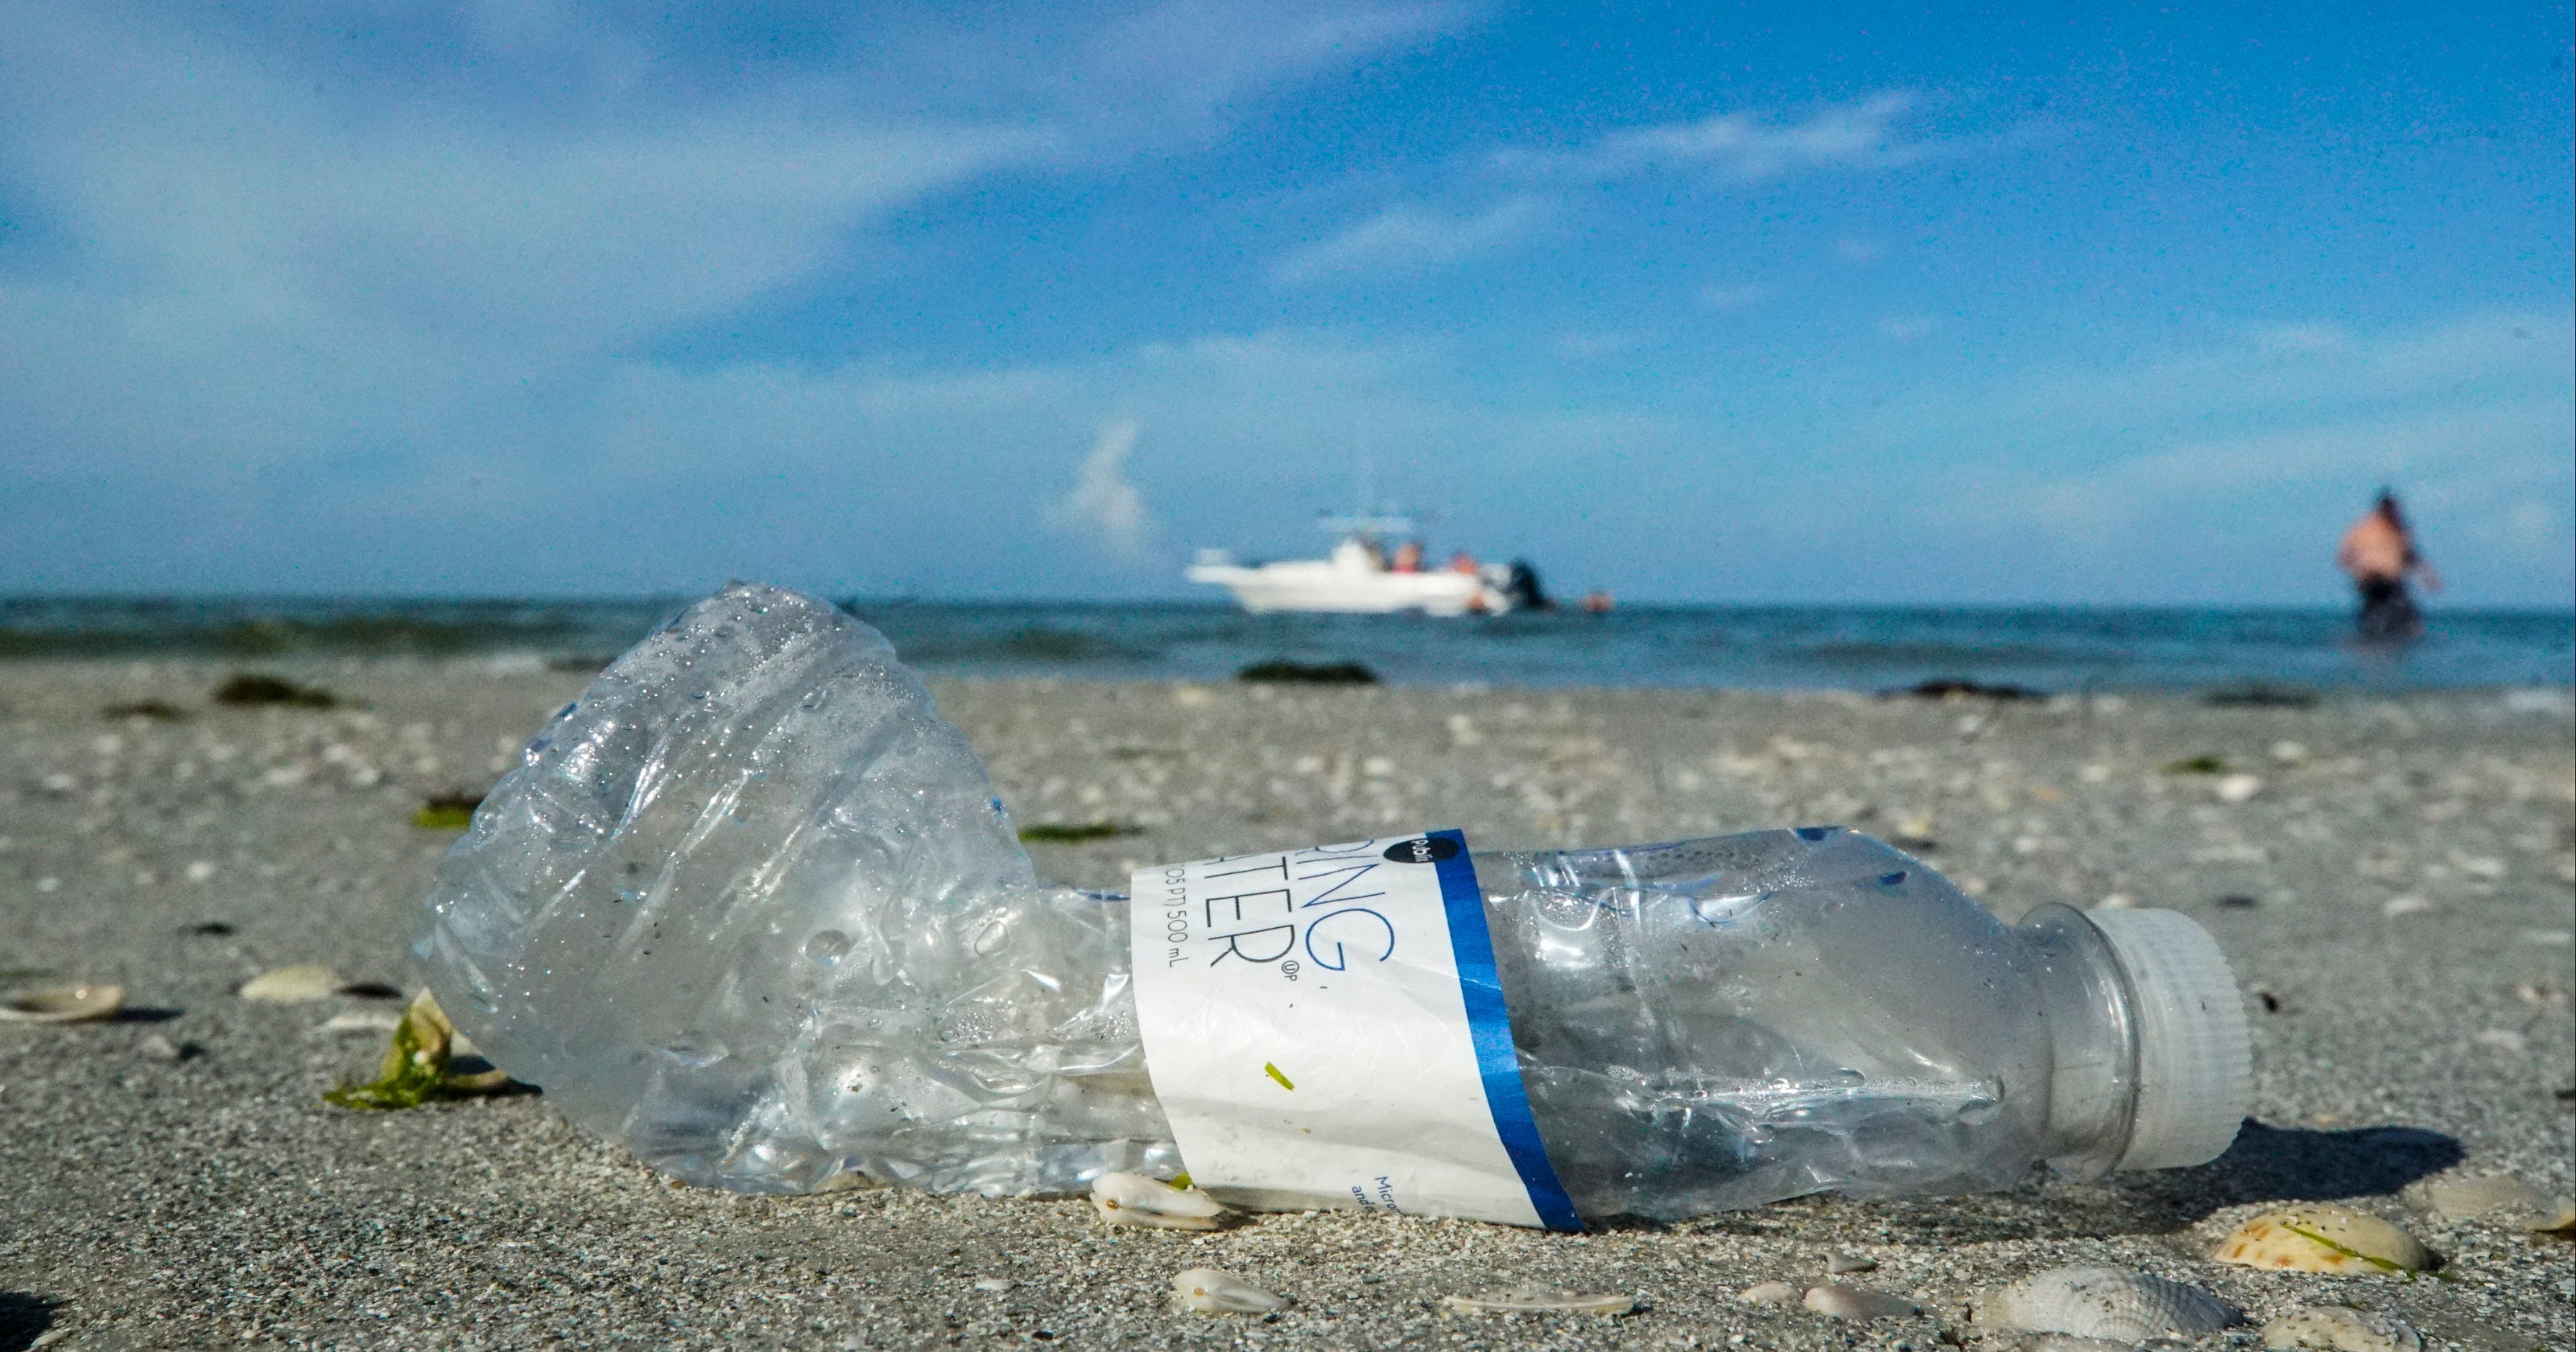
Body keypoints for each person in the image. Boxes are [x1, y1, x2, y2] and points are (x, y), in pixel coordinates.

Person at [2337, 488, 2440, 641]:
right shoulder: (2364, 528)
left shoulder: (2399, 530)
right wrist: (2359, 569)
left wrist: (2427, 577)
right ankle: (2372, 639)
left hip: (2390, 581)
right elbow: (2344, 556)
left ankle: (2388, 637)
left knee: (2400, 615)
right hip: (2371, 580)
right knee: (2384, 613)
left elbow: (2410, 556)